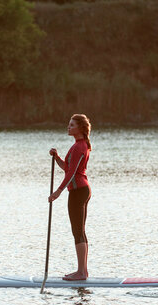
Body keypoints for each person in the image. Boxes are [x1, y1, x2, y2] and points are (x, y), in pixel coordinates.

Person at [48, 114, 92, 281]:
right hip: (81, 190)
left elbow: (72, 173)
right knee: (79, 231)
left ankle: (81, 273)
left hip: (78, 191)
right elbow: (68, 168)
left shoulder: (79, 146)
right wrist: (57, 157)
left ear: (80, 128)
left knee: (77, 231)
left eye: (72, 125)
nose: (68, 127)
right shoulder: (78, 145)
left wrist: (57, 192)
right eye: (69, 124)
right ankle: (83, 271)